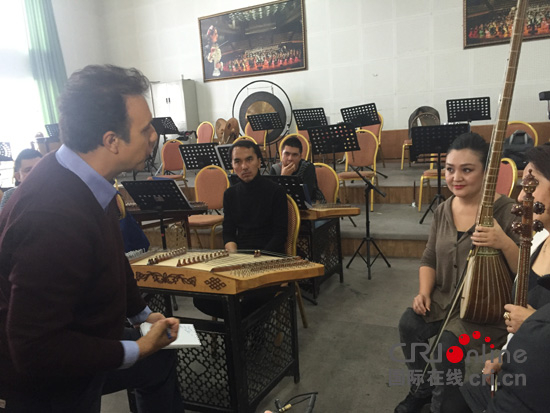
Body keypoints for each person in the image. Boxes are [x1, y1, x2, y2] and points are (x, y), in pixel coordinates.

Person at [0, 65, 184, 412]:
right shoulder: (52, 217)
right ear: (111, 141)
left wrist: (143, 315)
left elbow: (114, 258)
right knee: (148, 358)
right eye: (145, 129)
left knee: (159, 361)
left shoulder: (82, 175)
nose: (153, 136)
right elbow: (35, 348)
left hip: (81, 338)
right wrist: (138, 349)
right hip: (42, 378)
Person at [394, 132, 519, 413]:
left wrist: (503, 242)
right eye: (450, 169)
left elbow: (526, 272)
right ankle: (423, 388)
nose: (456, 178)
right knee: (409, 324)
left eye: (467, 170)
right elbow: (429, 257)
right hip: (445, 301)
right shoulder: (443, 210)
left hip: (486, 309)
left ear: (487, 173)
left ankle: (443, 406)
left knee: (446, 346)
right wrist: (424, 293)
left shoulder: (507, 211)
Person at [440, 143, 550, 413]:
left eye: (532, 184)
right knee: (450, 405)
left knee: (447, 344)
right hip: (517, 362)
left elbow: (523, 315)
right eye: (523, 185)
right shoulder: (539, 238)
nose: (522, 195)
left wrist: (533, 325)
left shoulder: (510, 216)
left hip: (539, 383)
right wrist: (505, 358)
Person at [194, 139, 287, 317]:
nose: (244, 166)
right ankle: (241, 323)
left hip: (270, 258)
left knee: (253, 298)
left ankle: (238, 325)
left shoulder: (276, 191)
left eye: (249, 159)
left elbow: (280, 234)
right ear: (232, 165)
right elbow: (228, 231)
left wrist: (258, 260)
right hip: (240, 259)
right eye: (237, 161)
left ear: (259, 161)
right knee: (201, 297)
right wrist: (234, 254)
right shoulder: (230, 194)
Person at [270, 136, 326, 204]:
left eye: (294, 155)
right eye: (287, 154)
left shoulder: (308, 167)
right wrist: (283, 177)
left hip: (310, 205)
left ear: (300, 157)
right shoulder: (275, 169)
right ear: (281, 154)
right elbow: (273, 197)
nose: (290, 158)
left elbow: (307, 196)